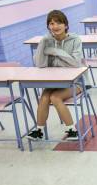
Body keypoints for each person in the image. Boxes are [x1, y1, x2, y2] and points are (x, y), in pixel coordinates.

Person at [29, 10, 83, 141]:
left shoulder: (75, 40)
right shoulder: (47, 41)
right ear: (48, 27)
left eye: (59, 23)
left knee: (55, 97)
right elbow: (40, 64)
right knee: (45, 97)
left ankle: (72, 131)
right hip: (55, 82)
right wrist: (42, 42)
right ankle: (39, 131)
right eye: (52, 23)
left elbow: (76, 63)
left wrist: (55, 51)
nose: (55, 26)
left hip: (76, 82)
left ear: (65, 25)